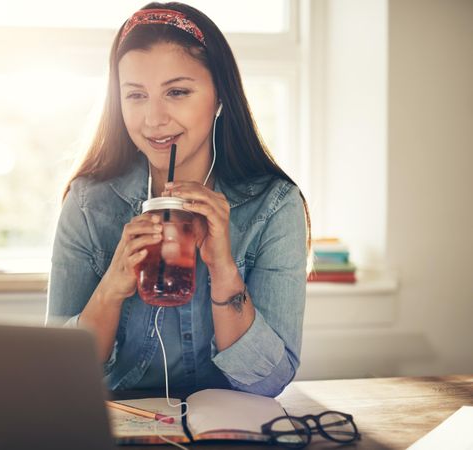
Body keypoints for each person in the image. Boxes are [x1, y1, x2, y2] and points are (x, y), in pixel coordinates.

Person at [46, 2, 310, 397]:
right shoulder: (88, 203)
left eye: (177, 92)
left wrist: (223, 269)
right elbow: (58, 372)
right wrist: (112, 288)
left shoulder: (274, 205)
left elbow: (270, 381)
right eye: (136, 95)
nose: (153, 119)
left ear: (220, 95)